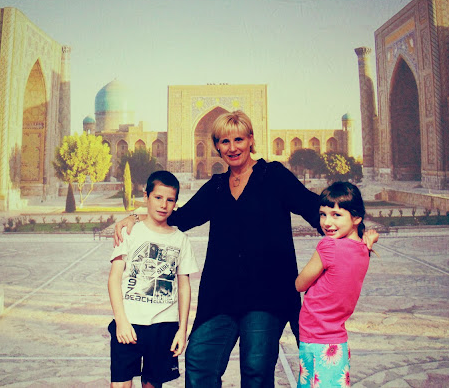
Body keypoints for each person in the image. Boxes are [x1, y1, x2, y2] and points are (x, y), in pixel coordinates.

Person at [114, 111, 376, 388]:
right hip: (220, 296)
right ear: (217, 146)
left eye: (238, 139)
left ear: (251, 139)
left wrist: (357, 232)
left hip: (267, 295)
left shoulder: (274, 176)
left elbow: (315, 209)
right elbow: (179, 218)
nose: (232, 147)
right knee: (199, 361)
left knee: (255, 369)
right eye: (224, 141)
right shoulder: (216, 187)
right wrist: (136, 217)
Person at [107, 170, 199, 388]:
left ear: (175, 203)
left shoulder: (181, 240)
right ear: (146, 196)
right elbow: (114, 279)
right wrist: (121, 321)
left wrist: (182, 330)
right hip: (130, 322)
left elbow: (184, 287)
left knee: (152, 384)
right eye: (158, 197)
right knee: (119, 384)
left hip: (163, 326)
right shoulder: (129, 232)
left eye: (170, 200)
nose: (163, 205)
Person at [295, 181, 374, 388]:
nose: (327, 222)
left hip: (316, 336)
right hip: (337, 340)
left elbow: (300, 284)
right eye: (323, 214)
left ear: (356, 217)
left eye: (336, 215)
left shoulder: (328, 246)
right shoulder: (363, 248)